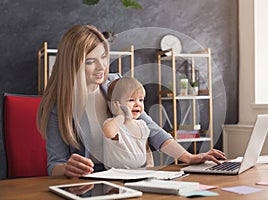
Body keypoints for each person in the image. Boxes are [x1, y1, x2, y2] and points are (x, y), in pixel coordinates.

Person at [37, 24, 226, 178]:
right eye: (90, 61)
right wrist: (67, 168)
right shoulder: (58, 106)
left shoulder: (115, 83)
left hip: (129, 175)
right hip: (91, 182)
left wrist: (189, 157)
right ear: (72, 64)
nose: (101, 66)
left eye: (103, 57)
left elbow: (151, 128)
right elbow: (55, 164)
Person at [102, 77, 153, 169]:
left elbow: (146, 148)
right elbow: (109, 133)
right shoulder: (113, 124)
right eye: (131, 100)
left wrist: (150, 164)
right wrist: (121, 116)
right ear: (115, 104)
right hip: (116, 174)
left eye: (141, 100)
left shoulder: (142, 125)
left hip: (139, 171)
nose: (137, 104)